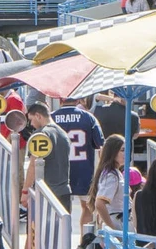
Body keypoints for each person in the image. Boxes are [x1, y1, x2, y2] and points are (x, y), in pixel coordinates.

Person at [51, 97, 103, 226]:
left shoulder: (51, 118)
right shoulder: (88, 117)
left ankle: (60, 242)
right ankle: (84, 243)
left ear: (60, 100)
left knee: (58, 209)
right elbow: (100, 144)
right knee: (87, 207)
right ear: (78, 100)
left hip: (59, 171)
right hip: (84, 170)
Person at [22, 101, 73, 209]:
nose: (31, 124)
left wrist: (25, 191)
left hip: (45, 193)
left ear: (38, 116)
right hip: (64, 192)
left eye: (31, 120)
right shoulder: (63, 134)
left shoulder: (40, 134)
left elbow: (33, 166)